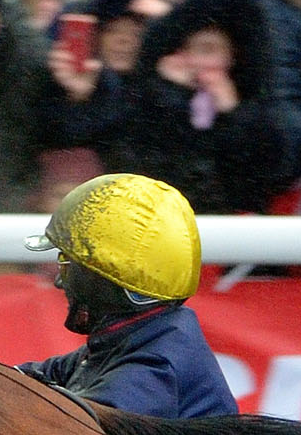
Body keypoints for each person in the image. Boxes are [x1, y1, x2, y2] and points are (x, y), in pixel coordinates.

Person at [20, 173, 231, 418]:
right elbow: (24, 379)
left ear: (107, 281)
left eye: (66, 263)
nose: (59, 282)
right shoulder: (139, 336)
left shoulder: (153, 367)